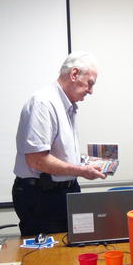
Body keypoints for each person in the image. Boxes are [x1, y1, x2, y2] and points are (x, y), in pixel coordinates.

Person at [12, 52, 107, 236]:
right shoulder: (43, 103)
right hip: (43, 196)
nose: (91, 91)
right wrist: (81, 170)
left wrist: (83, 163)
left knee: (71, 252)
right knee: (47, 259)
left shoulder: (67, 105)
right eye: (90, 83)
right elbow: (37, 160)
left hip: (65, 192)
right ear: (74, 75)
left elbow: (60, 153)